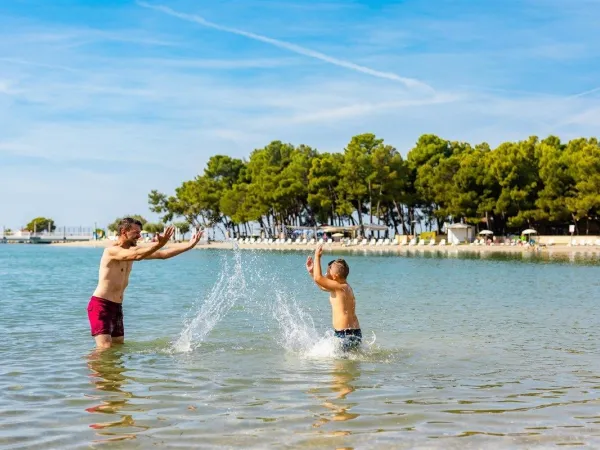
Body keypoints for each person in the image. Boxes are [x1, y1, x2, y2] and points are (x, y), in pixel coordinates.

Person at [87, 217, 202, 350]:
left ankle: (111, 372)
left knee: (117, 347)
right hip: (101, 305)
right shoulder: (112, 251)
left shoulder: (132, 249)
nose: (139, 236)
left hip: (116, 307)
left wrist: (189, 245)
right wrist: (159, 244)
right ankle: (91, 369)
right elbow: (137, 256)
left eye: (140, 233)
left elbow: (162, 254)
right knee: (105, 347)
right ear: (124, 231)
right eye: (136, 233)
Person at [306, 245, 362, 352]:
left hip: (344, 333)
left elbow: (319, 278)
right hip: (356, 332)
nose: (325, 273)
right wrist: (312, 272)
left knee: (339, 367)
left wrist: (317, 256)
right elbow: (322, 286)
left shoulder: (338, 287)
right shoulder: (345, 287)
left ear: (335, 276)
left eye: (328, 271)